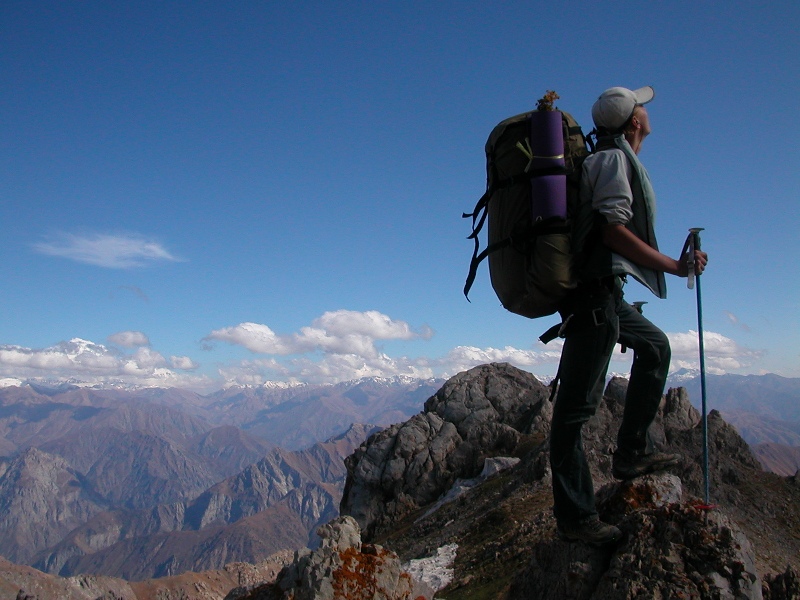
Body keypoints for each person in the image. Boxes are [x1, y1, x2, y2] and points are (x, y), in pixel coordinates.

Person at [549, 86, 708, 545]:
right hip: (594, 300)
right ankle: (577, 520)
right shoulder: (614, 162)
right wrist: (676, 268)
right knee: (571, 417)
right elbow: (613, 232)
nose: (645, 109)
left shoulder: (610, 159)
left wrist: (676, 262)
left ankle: (630, 455)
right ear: (633, 122)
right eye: (641, 106)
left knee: (656, 347)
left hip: (605, 294)